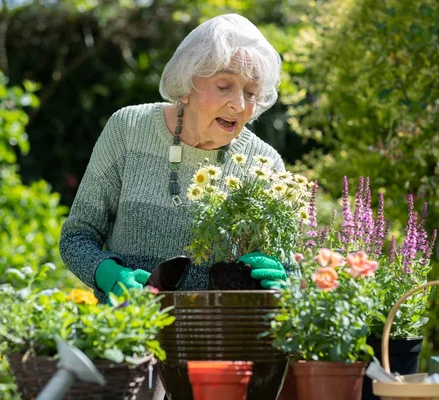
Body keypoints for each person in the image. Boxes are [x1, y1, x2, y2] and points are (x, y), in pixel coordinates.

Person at [60, 12, 289, 400]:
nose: (238, 104)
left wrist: (280, 273)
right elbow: (77, 237)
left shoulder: (263, 163)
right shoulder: (128, 130)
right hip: (126, 341)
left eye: (250, 93)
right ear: (187, 85)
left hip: (214, 359)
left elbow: (292, 273)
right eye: (224, 86)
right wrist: (108, 275)